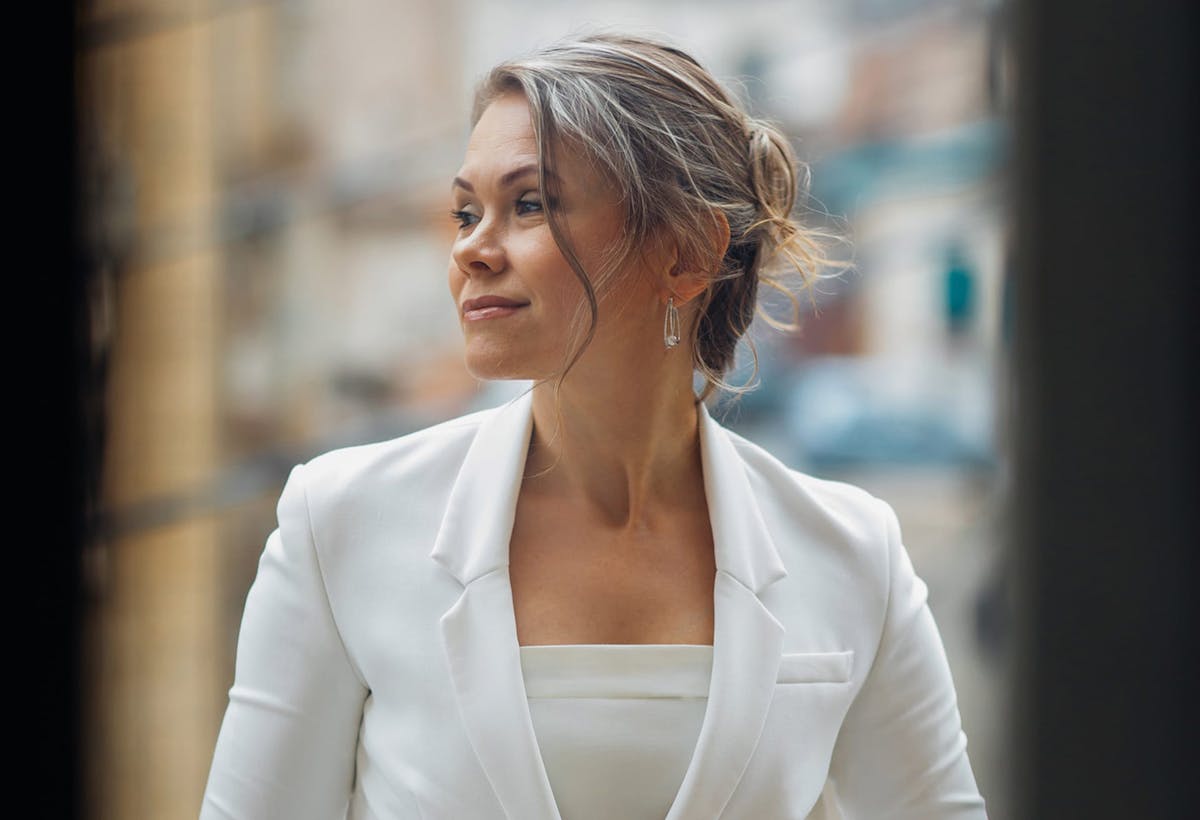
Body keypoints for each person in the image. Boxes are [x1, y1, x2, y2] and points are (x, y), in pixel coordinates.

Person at [200, 32, 986, 820]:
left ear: (685, 255)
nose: (472, 248)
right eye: (467, 210)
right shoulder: (341, 523)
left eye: (530, 204)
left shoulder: (851, 552)